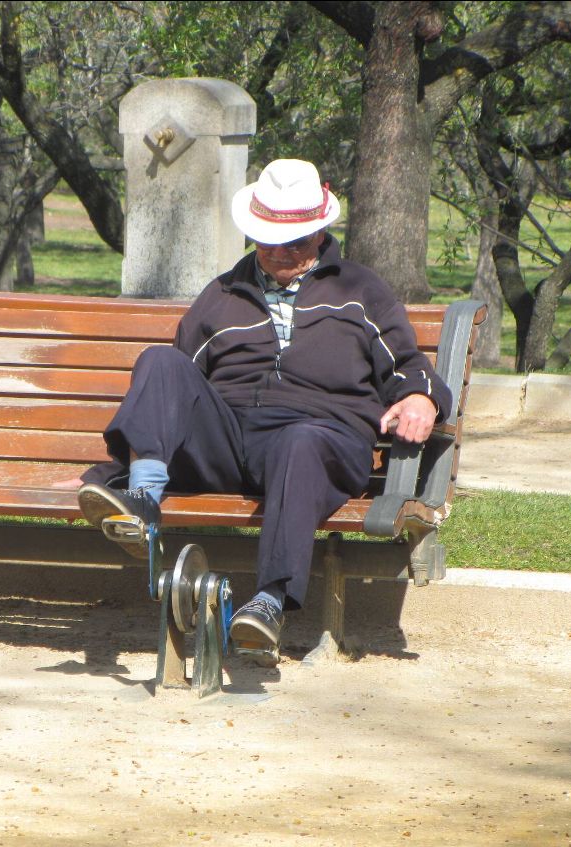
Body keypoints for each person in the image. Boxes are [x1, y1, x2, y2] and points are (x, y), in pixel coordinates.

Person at [77, 158, 451, 665]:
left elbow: (409, 365)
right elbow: (174, 390)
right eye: (268, 240)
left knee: (302, 441)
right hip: (231, 439)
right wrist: (113, 470)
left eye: (295, 241)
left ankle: (269, 603)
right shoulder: (220, 296)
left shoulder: (361, 291)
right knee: (160, 361)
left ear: (320, 233)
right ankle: (142, 500)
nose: (281, 252)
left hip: (321, 437)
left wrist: (420, 397)